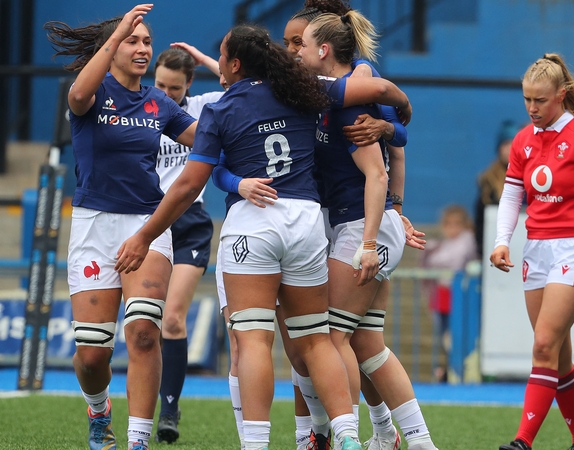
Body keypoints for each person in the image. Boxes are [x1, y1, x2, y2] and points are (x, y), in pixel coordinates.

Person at [115, 23, 412, 450]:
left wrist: (145, 236)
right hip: (307, 221)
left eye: (220, 54)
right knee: (315, 339)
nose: (216, 61)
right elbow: (379, 90)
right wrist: (400, 110)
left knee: (253, 340)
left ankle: (255, 445)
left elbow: (186, 186)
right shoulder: (304, 89)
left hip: (255, 225)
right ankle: (347, 433)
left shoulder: (220, 109)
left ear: (234, 64)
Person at [44, 4, 197, 450]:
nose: (142, 47)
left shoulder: (159, 102)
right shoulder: (91, 95)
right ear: (110, 49)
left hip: (145, 224)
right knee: (92, 356)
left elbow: (209, 140)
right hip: (94, 226)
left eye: (147, 40)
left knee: (145, 333)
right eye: (133, 39)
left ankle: (137, 442)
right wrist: (117, 32)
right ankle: (99, 410)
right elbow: (76, 94)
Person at [299, 11, 438, 450]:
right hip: (368, 224)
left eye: (300, 44)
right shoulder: (337, 93)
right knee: (369, 346)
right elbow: (396, 139)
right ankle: (413, 441)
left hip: (363, 227)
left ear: (323, 50)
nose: (295, 53)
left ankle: (344, 437)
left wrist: (369, 242)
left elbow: (378, 173)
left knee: (327, 338)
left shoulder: (344, 95)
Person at [490, 53, 574, 450]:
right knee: (557, 355)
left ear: (561, 96)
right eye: (526, 100)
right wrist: (501, 241)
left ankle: (522, 441)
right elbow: (512, 195)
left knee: (543, 344)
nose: (531, 109)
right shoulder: (524, 141)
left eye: (539, 101)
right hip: (536, 250)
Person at [151, 42, 224, 443]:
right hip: (145, 220)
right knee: (144, 323)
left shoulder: (202, 108)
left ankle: (170, 410)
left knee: (173, 318)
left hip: (188, 221)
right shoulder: (140, 108)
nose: (165, 94)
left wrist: (202, 57)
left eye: (174, 88)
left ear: (189, 85)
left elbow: (247, 85)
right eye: (160, 84)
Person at [421, 204, 477, 382]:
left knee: (457, 336)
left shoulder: (467, 239)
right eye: (448, 224)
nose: (452, 229)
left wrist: (434, 253)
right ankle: (450, 372)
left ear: (464, 225)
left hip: (461, 295)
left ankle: (460, 372)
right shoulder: (443, 244)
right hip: (442, 294)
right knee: (446, 337)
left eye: (456, 224)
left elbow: (454, 260)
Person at [475, 120, 518, 257]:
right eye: (506, 144)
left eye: (514, 144)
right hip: (494, 244)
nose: (510, 149)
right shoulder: (488, 180)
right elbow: (481, 221)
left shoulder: (530, 177)